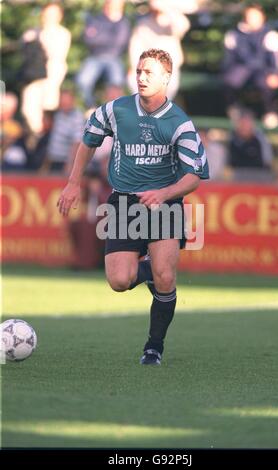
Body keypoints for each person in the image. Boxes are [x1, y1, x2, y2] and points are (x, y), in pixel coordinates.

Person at [57, 49, 209, 366]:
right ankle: (148, 270)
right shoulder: (115, 110)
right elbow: (88, 140)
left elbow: (194, 176)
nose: (141, 77)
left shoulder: (180, 123)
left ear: (167, 78)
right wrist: (73, 182)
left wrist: (165, 192)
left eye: (148, 72)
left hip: (165, 204)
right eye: (139, 71)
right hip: (125, 201)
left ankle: (153, 347)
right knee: (119, 281)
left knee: (166, 277)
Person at [222, 4, 278, 129]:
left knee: (265, 83)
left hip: (263, 70)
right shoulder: (234, 34)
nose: (253, 20)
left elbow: (276, 59)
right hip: (242, 67)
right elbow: (228, 59)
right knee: (230, 80)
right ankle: (234, 108)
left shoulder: (270, 35)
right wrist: (227, 72)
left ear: (262, 17)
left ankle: (270, 112)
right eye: (250, 16)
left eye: (256, 17)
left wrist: (276, 73)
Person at [21, 2, 71, 134]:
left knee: (48, 109)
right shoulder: (33, 32)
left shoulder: (63, 34)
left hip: (51, 76)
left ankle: (46, 139)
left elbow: (57, 56)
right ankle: (37, 136)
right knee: (29, 109)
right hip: (34, 76)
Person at [76, 0, 130, 108]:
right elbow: (89, 39)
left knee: (117, 84)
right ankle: (90, 108)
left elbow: (119, 42)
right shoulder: (96, 19)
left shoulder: (123, 23)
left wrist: (99, 36)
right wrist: (109, 37)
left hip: (114, 58)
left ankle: (115, 110)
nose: (112, 7)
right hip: (95, 57)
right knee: (82, 81)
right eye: (110, 4)